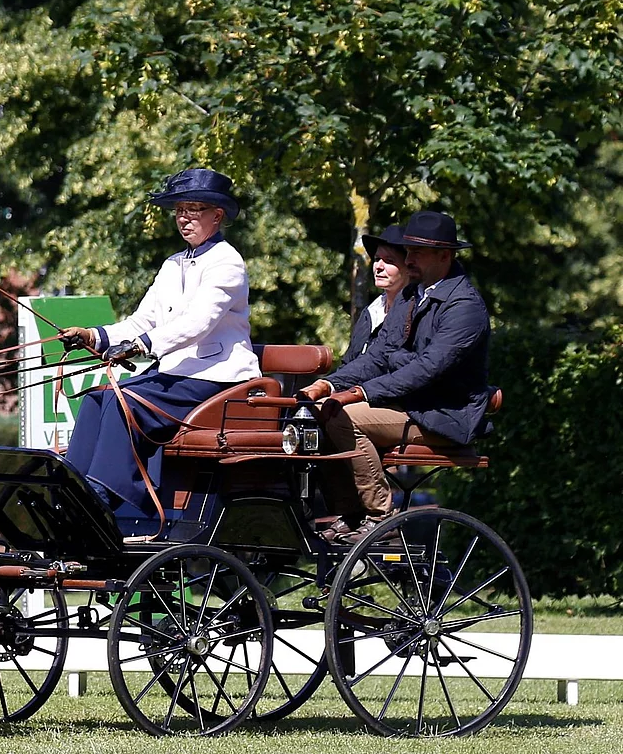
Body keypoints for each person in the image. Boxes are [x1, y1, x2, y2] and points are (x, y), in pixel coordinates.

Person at [58, 169, 260, 522]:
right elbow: (143, 320)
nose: (184, 218)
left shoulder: (228, 262)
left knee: (125, 402)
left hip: (217, 377)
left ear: (218, 215)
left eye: (194, 209)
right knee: (98, 397)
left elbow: (197, 324)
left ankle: (106, 495)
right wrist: (94, 335)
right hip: (177, 373)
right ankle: (71, 492)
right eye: (180, 209)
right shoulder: (173, 264)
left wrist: (141, 345)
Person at [299, 210, 493, 543]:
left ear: (444, 256)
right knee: (318, 414)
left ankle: (380, 517)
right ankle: (351, 514)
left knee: (346, 418)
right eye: (408, 250)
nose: (409, 257)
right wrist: (328, 384)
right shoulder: (411, 296)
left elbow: (427, 369)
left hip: (443, 415)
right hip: (410, 407)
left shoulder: (464, 307)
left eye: (417, 251)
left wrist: (359, 394)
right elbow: (377, 357)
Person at [341, 224, 411, 363]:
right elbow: (349, 362)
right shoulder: (372, 311)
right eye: (377, 259)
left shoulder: (417, 313)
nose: (379, 266)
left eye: (389, 261)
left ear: (409, 267)